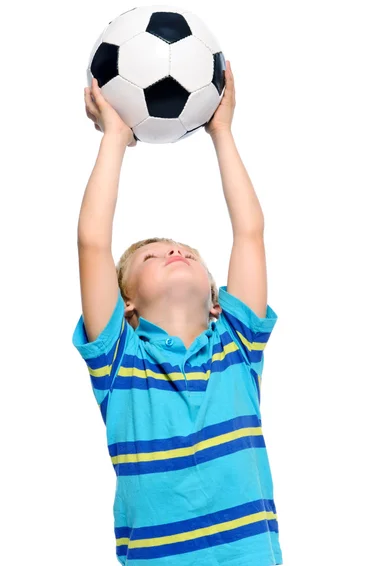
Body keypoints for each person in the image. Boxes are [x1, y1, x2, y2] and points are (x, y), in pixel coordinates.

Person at [72, 62, 283, 566]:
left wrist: (223, 133)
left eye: (186, 251)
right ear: (127, 305)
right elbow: (92, 242)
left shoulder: (237, 343)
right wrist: (114, 139)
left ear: (216, 297)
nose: (174, 253)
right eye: (151, 256)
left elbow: (249, 231)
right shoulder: (120, 364)